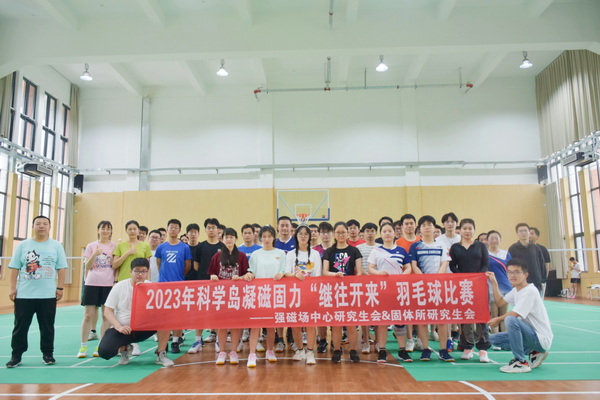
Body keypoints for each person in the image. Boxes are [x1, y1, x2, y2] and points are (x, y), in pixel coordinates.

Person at [6, 216, 67, 368]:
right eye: (38, 224)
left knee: (47, 327)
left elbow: (61, 268)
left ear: (49, 227)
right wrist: (12, 288)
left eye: (45, 224)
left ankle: (48, 354)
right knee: (20, 327)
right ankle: (16, 356)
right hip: (24, 295)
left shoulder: (56, 246)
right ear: (33, 226)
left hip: (47, 295)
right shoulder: (23, 245)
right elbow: (14, 268)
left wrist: (60, 288)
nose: (41, 226)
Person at [97, 258, 174, 367]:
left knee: (166, 319)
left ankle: (161, 353)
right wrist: (119, 327)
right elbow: (107, 310)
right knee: (104, 352)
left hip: (144, 328)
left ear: (147, 272)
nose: (140, 274)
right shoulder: (119, 287)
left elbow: (161, 308)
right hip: (124, 329)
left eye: (143, 271)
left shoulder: (152, 287)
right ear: (130, 272)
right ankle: (125, 348)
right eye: (137, 271)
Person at [487, 259, 553, 373]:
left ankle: (521, 362)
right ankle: (533, 351)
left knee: (510, 319)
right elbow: (500, 302)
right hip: (530, 336)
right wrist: (494, 283)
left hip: (540, 338)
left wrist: (498, 319)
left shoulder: (530, 291)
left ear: (525, 275)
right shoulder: (516, 290)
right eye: (510, 272)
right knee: (493, 339)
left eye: (517, 272)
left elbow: (515, 314)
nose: (513, 275)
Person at [409, 215, 454, 362]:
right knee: (423, 320)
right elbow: (414, 265)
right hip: (421, 287)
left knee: (441, 319)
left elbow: (444, 263)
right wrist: (424, 279)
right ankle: (425, 349)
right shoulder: (415, 246)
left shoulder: (441, 245)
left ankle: (443, 350)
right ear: (419, 229)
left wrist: (436, 279)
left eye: (429, 225)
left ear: (434, 228)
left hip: (438, 287)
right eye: (424, 225)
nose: (427, 227)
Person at [368, 222, 412, 363]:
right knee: (383, 321)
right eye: (384, 231)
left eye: (389, 231)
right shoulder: (376, 251)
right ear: (381, 234)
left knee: (400, 321)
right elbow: (370, 268)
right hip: (382, 291)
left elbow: (408, 267)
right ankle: (382, 350)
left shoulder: (401, 250)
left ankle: (402, 350)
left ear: (394, 233)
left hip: (398, 291)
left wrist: (401, 277)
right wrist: (379, 273)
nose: (387, 233)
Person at [449, 218, 491, 363]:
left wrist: (478, 277)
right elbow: (452, 266)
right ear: (460, 230)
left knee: (481, 316)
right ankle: (467, 347)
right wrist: (462, 277)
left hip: (480, 286)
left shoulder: (480, 246)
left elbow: (486, 264)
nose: (467, 231)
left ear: (474, 230)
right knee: (465, 316)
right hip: (462, 287)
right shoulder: (455, 247)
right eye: (464, 228)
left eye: (470, 228)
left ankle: (483, 348)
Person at [243, 225, 286, 367]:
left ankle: (270, 350)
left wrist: (282, 273)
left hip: (274, 294)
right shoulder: (256, 254)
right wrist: (249, 274)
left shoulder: (281, 253)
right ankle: (252, 354)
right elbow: (252, 271)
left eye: (269, 236)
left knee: (270, 325)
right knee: (256, 325)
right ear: (261, 238)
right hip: (259, 293)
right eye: (264, 236)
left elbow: (284, 270)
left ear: (274, 237)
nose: (267, 239)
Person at [323, 221, 363, 363]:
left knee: (351, 324)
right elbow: (325, 271)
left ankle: (352, 350)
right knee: (336, 324)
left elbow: (359, 272)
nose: (340, 235)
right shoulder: (329, 251)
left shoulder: (354, 251)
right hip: (334, 292)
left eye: (343, 232)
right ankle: (337, 350)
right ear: (334, 234)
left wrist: (353, 282)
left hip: (351, 292)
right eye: (338, 232)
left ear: (347, 234)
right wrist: (335, 275)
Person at [208, 228, 249, 365]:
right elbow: (212, 273)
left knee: (235, 325)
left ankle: (233, 352)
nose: (229, 240)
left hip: (237, 296)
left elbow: (247, 274)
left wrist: (240, 277)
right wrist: (213, 276)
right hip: (221, 296)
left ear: (236, 239)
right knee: (222, 325)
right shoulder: (217, 256)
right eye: (227, 237)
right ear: (222, 239)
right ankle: (222, 352)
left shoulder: (242, 256)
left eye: (232, 237)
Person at [78, 221, 117, 358]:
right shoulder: (91, 246)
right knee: (88, 315)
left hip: (108, 284)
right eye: (103, 228)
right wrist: (94, 254)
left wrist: (115, 281)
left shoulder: (115, 246)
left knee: (106, 316)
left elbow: (115, 266)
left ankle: (101, 345)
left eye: (108, 229)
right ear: (98, 230)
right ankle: (83, 346)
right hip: (92, 283)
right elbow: (87, 266)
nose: (106, 231)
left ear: (111, 231)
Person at [285, 225, 322, 365]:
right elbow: (286, 273)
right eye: (300, 234)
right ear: (296, 236)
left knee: (310, 323)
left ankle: (310, 351)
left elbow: (317, 275)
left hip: (311, 293)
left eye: (306, 234)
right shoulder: (290, 254)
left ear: (309, 236)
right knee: (296, 324)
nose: (303, 236)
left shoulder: (315, 254)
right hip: (294, 294)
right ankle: (300, 350)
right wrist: (295, 275)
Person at [155, 218, 192, 353]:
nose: (173, 229)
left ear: (179, 230)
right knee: (163, 316)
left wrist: (178, 277)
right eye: (171, 227)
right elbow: (159, 264)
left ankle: (175, 341)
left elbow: (187, 265)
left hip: (179, 286)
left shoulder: (185, 247)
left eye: (176, 227)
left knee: (178, 316)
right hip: (163, 286)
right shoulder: (161, 247)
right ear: (167, 229)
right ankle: (163, 343)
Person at [189, 218, 224, 352]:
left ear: (217, 229)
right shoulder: (200, 246)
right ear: (205, 230)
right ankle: (198, 340)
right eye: (208, 227)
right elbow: (196, 265)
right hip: (202, 284)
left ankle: (218, 340)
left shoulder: (222, 247)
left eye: (213, 227)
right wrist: (206, 275)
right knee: (200, 312)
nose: (211, 230)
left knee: (218, 312)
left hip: (219, 285)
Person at [356, 222, 379, 354]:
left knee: (377, 315)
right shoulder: (358, 248)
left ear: (376, 233)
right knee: (364, 315)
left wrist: (376, 276)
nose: (370, 234)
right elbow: (358, 266)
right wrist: (368, 275)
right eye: (367, 231)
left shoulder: (380, 247)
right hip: (363, 285)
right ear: (363, 233)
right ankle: (365, 341)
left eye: (372, 231)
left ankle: (377, 342)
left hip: (378, 285)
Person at [313, 221, 334, 353]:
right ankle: (322, 340)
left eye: (328, 232)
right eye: (323, 233)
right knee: (321, 315)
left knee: (334, 315)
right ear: (319, 234)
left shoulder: (337, 249)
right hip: (320, 287)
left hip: (336, 287)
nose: (326, 235)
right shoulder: (314, 251)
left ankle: (335, 340)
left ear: (332, 234)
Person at [508, 223, 545, 295]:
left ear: (529, 233)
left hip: (535, 283)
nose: (523, 233)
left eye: (525, 231)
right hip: (520, 283)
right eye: (520, 231)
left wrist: (542, 280)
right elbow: (510, 266)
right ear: (517, 233)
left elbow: (542, 264)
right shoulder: (513, 248)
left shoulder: (536, 248)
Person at [487, 230, 512, 336]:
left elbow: (511, 269)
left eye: (496, 238)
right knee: (494, 314)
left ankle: (504, 337)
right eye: (491, 238)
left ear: (500, 240)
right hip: (491, 287)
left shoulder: (506, 254)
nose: (494, 241)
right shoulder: (485, 254)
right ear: (487, 241)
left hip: (505, 287)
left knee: (504, 315)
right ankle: (495, 338)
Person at [529, 227, 551, 297]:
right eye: (528, 233)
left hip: (539, 280)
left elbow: (546, 264)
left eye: (532, 233)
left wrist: (544, 279)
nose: (529, 235)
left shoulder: (542, 249)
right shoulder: (522, 249)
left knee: (539, 300)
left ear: (537, 236)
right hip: (527, 280)